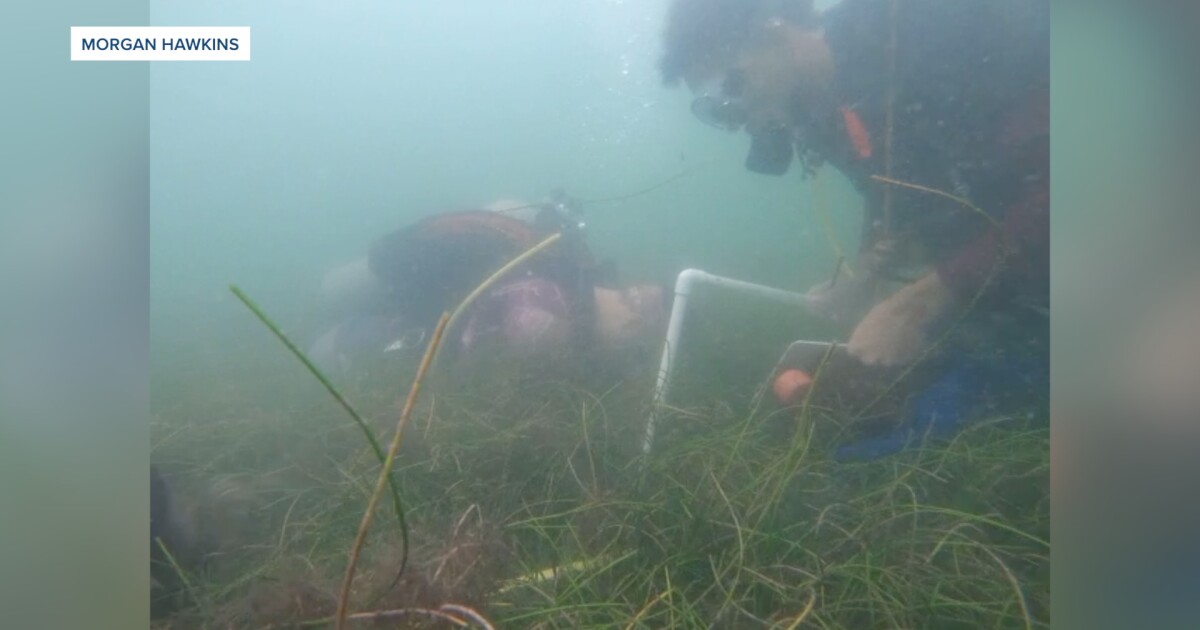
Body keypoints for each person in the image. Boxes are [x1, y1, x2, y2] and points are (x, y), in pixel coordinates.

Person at [659, 0, 1049, 457]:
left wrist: (922, 300)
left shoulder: (926, 31)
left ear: (771, 29)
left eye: (733, 84)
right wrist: (867, 274)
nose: (742, 111)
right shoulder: (823, 112)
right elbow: (905, 195)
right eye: (716, 106)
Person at [310, 192, 667, 378]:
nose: (646, 290)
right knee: (333, 337)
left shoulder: (574, 285)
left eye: (637, 300)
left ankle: (331, 311)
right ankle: (331, 312)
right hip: (421, 287)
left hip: (421, 285)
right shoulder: (565, 295)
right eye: (637, 297)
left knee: (332, 334)